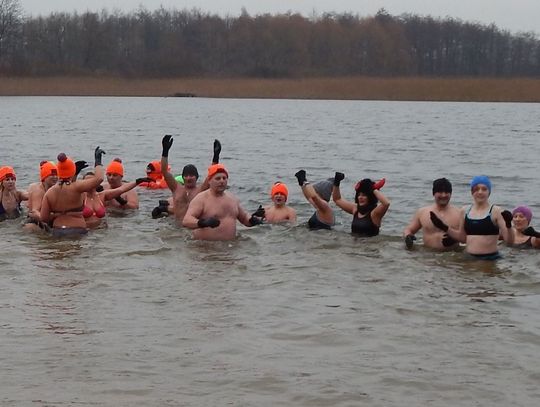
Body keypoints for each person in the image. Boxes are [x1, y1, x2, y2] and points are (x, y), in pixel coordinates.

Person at [430, 175, 514, 260]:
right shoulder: (465, 210)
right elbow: (462, 238)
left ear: (489, 192)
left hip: (490, 260)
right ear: (472, 192)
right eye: (476, 189)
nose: (480, 192)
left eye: (484, 189)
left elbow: (509, 241)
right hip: (469, 258)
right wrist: (443, 226)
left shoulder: (496, 211)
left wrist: (508, 225)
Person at [182, 163, 263, 240]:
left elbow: (244, 218)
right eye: (218, 178)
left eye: (224, 178)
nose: (222, 181)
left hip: (230, 247)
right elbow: (186, 220)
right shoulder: (201, 199)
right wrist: (203, 223)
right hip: (204, 246)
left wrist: (253, 220)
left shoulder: (232, 199)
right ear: (209, 181)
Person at [151, 135, 218, 223]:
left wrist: (216, 156)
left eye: (191, 175)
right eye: (186, 175)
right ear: (182, 177)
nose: (188, 178)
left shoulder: (201, 190)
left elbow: (212, 174)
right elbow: (164, 171)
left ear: (197, 177)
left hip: (194, 226)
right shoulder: (176, 188)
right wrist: (165, 151)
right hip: (177, 227)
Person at [40, 147, 105, 237]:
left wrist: (58, 214)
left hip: (58, 231)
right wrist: (98, 161)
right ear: (72, 170)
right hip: (77, 229)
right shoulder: (77, 187)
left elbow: (43, 218)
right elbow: (99, 178)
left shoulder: (49, 193)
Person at [402, 178, 461, 249]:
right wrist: (408, 236)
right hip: (428, 254)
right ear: (433, 193)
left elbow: (468, 236)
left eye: (446, 192)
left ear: (450, 194)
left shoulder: (459, 213)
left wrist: (456, 239)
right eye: (440, 192)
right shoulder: (422, 212)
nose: (443, 195)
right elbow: (409, 229)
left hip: (452, 254)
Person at [81, 171, 151, 228]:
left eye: (92, 181)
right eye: (87, 181)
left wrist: (138, 181)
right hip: (87, 233)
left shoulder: (102, 195)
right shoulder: (80, 196)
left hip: (102, 232)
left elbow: (121, 189)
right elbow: (73, 188)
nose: (89, 183)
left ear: (96, 183)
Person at [332, 172, 389, 237]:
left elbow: (386, 203)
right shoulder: (355, 209)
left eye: (364, 195)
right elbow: (337, 199)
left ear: (370, 197)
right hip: (354, 242)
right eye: (359, 195)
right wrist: (336, 183)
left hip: (371, 243)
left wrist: (373, 189)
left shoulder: (375, 213)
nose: (360, 197)